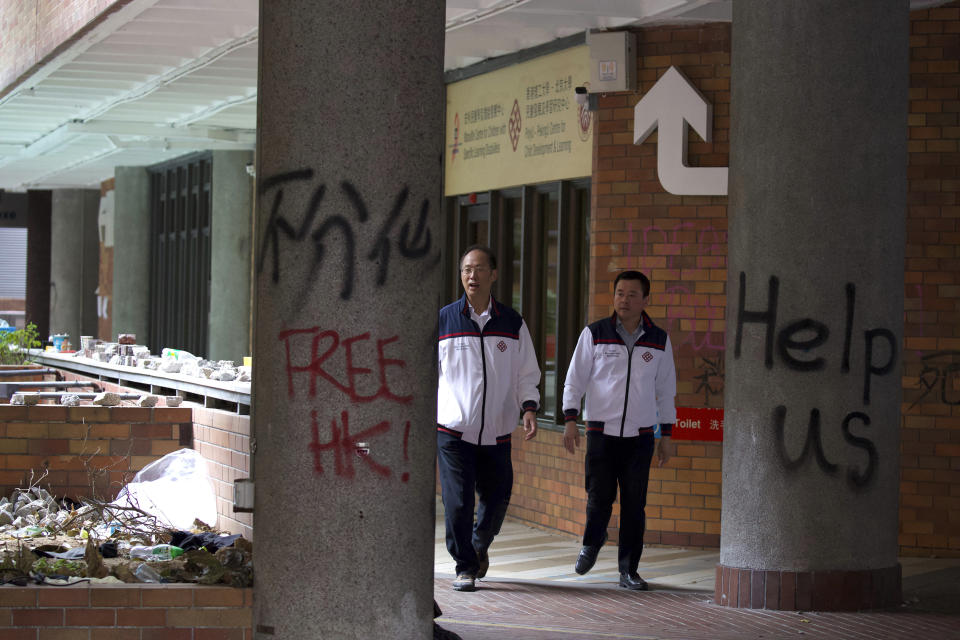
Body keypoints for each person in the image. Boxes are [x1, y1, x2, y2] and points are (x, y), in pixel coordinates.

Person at [561, 270, 676, 590]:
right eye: (620, 293)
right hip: (601, 432)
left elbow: (666, 390)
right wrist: (570, 419)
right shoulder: (595, 333)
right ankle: (592, 542)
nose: (624, 300)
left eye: (632, 295)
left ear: (645, 300)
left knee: (634, 505)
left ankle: (629, 570)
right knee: (599, 498)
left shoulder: (658, 340)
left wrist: (665, 435)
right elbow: (575, 379)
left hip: (640, 437)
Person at [436, 245, 541, 592]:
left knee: (498, 499)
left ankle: (479, 544)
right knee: (459, 502)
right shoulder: (445, 319)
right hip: (453, 430)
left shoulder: (512, 323)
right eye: (466, 269)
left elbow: (527, 373)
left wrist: (529, 407)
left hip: (497, 431)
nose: (472, 276)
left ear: (493, 275)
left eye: (480, 269)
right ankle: (465, 566)